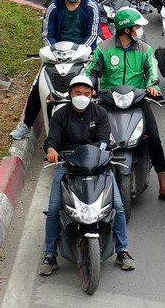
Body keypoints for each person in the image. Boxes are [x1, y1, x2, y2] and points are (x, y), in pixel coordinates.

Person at [39, 74, 133, 276]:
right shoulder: (60, 115)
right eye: (77, 93)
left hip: (98, 166)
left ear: (92, 94)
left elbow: (104, 139)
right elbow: (52, 140)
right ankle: (50, 255)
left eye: (86, 93)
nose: (81, 96)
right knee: (55, 208)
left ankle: (122, 250)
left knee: (117, 207)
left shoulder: (99, 113)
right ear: (70, 93)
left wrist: (99, 155)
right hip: (68, 165)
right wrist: (51, 151)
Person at [89, 8, 165, 204]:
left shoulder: (144, 50)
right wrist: (90, 88)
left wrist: (152, 85)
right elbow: (91, 72)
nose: (139, 29)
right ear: (125, 29)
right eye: (136, 26)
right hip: (108, 101)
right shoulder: (104, 49)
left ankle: (164, 187)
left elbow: (152, 72)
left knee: (155, 138)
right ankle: (93, 185)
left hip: (137, 100)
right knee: (94, 138)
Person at [9, 0, 100, 141]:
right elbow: (47, 34)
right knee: (38, 88)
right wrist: (53, 52)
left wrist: (79, 52)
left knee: (95, 86)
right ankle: (26, 125)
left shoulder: (91, 7)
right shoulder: (54, 7)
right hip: (56, 55)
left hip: (83, 55)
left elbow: (92, 35)